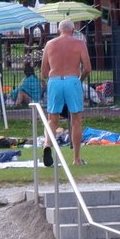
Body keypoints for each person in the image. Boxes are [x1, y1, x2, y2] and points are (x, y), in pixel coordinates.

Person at [42, 19, 92, 164]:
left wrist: (50, 81)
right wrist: (79, 80)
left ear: (59, 30)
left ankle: (47, 144)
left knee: (52, 119)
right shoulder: (79, 43)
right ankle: (76, 158)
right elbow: (88, 68)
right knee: (76, 119)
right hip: (72, 80)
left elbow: (44, 71)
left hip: (55, 80)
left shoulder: (49, 44)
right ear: (72, 30)